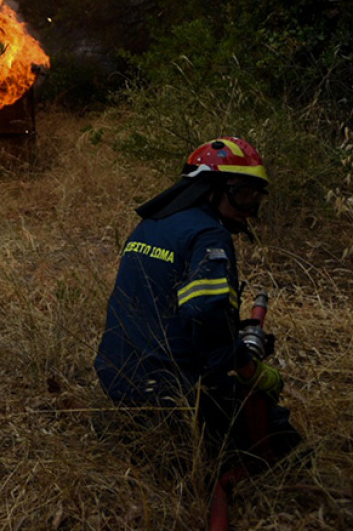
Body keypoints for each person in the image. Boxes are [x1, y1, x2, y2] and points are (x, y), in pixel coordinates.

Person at [94, 137, 301, 464]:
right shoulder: (209, 234)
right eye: (242, 195)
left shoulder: (150, 225)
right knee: (281, 438)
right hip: (167, 391)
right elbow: (205, 313)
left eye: (254, 198)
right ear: (211, 189)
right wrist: (249, 370)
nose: (248, 210)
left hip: (115, 376)